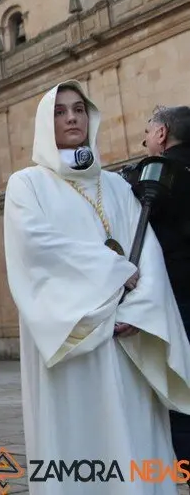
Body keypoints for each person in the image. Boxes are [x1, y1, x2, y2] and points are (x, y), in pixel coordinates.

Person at [3, 81, 190, 494]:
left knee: (135, 437)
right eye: (60, 111)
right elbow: (36, 248)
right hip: (74, 338)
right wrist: (112, 273)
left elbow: (149, 256)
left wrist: (138, 312)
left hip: (128, 339)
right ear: (44, 123)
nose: (72, 117)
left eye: (79, 109)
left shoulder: (119, 186)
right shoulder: (27, 184)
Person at [134, 105, 190, 464]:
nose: (144, 139)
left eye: (149, 130)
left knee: (182, 396)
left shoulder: (156, 173)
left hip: (177, 301)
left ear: (162, 135)